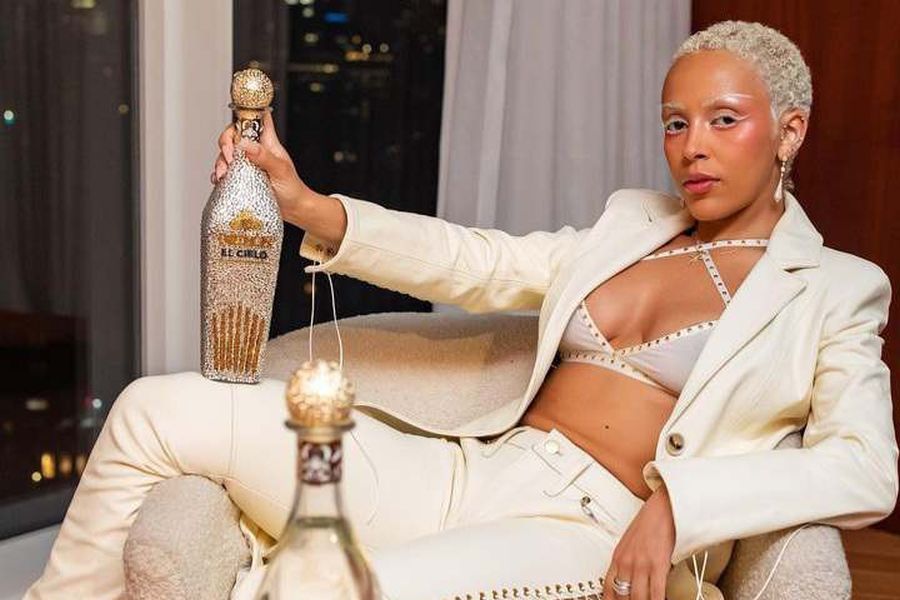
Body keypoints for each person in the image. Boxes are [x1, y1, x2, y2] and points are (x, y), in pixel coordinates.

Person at [25, 20, 897, 600]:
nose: (692, 147)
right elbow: (477, 262)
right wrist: (308, 206)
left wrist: (680, 507)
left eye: (724, 120)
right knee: (152, 409)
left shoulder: (834, 286)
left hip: (589, 522)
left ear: (790, 130)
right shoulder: (630, 224)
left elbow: (865, 468)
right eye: (676, 123)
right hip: (468, 466)